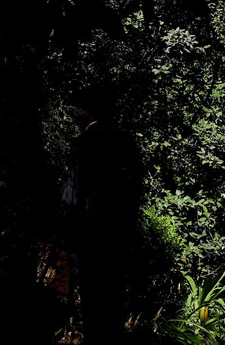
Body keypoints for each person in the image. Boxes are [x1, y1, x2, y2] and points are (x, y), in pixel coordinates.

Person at [63, 91, 142, 344]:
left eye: (77, 107)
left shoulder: (84, 143)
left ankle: (97, 337)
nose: (73, 112)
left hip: (92, 228)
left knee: (93, 291)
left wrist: (67, 224)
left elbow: (73, 192)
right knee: (115, 289)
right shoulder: (125, 139)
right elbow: (138, 182)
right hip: (120, 227)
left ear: (87, 110)